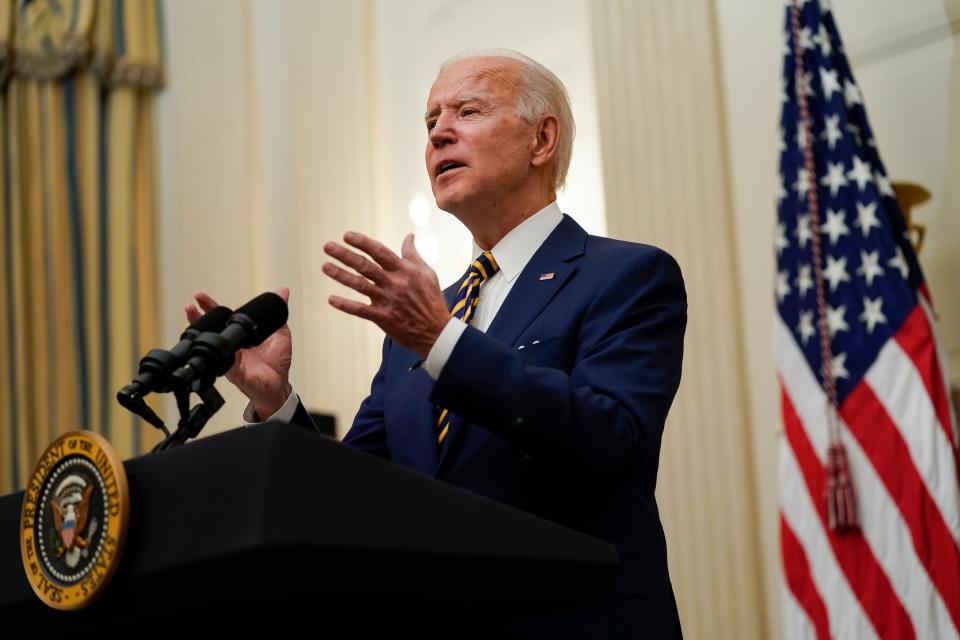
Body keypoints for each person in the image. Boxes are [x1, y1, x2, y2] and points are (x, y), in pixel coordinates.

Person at [186, 49, 686, 638]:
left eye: (467, 111)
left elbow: (610, 442)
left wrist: (442, 341)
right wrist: (278, 403)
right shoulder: (421, 321)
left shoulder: (625, 276)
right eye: (430, 123)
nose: (439, 134)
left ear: (542, 139)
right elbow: (352, 493)